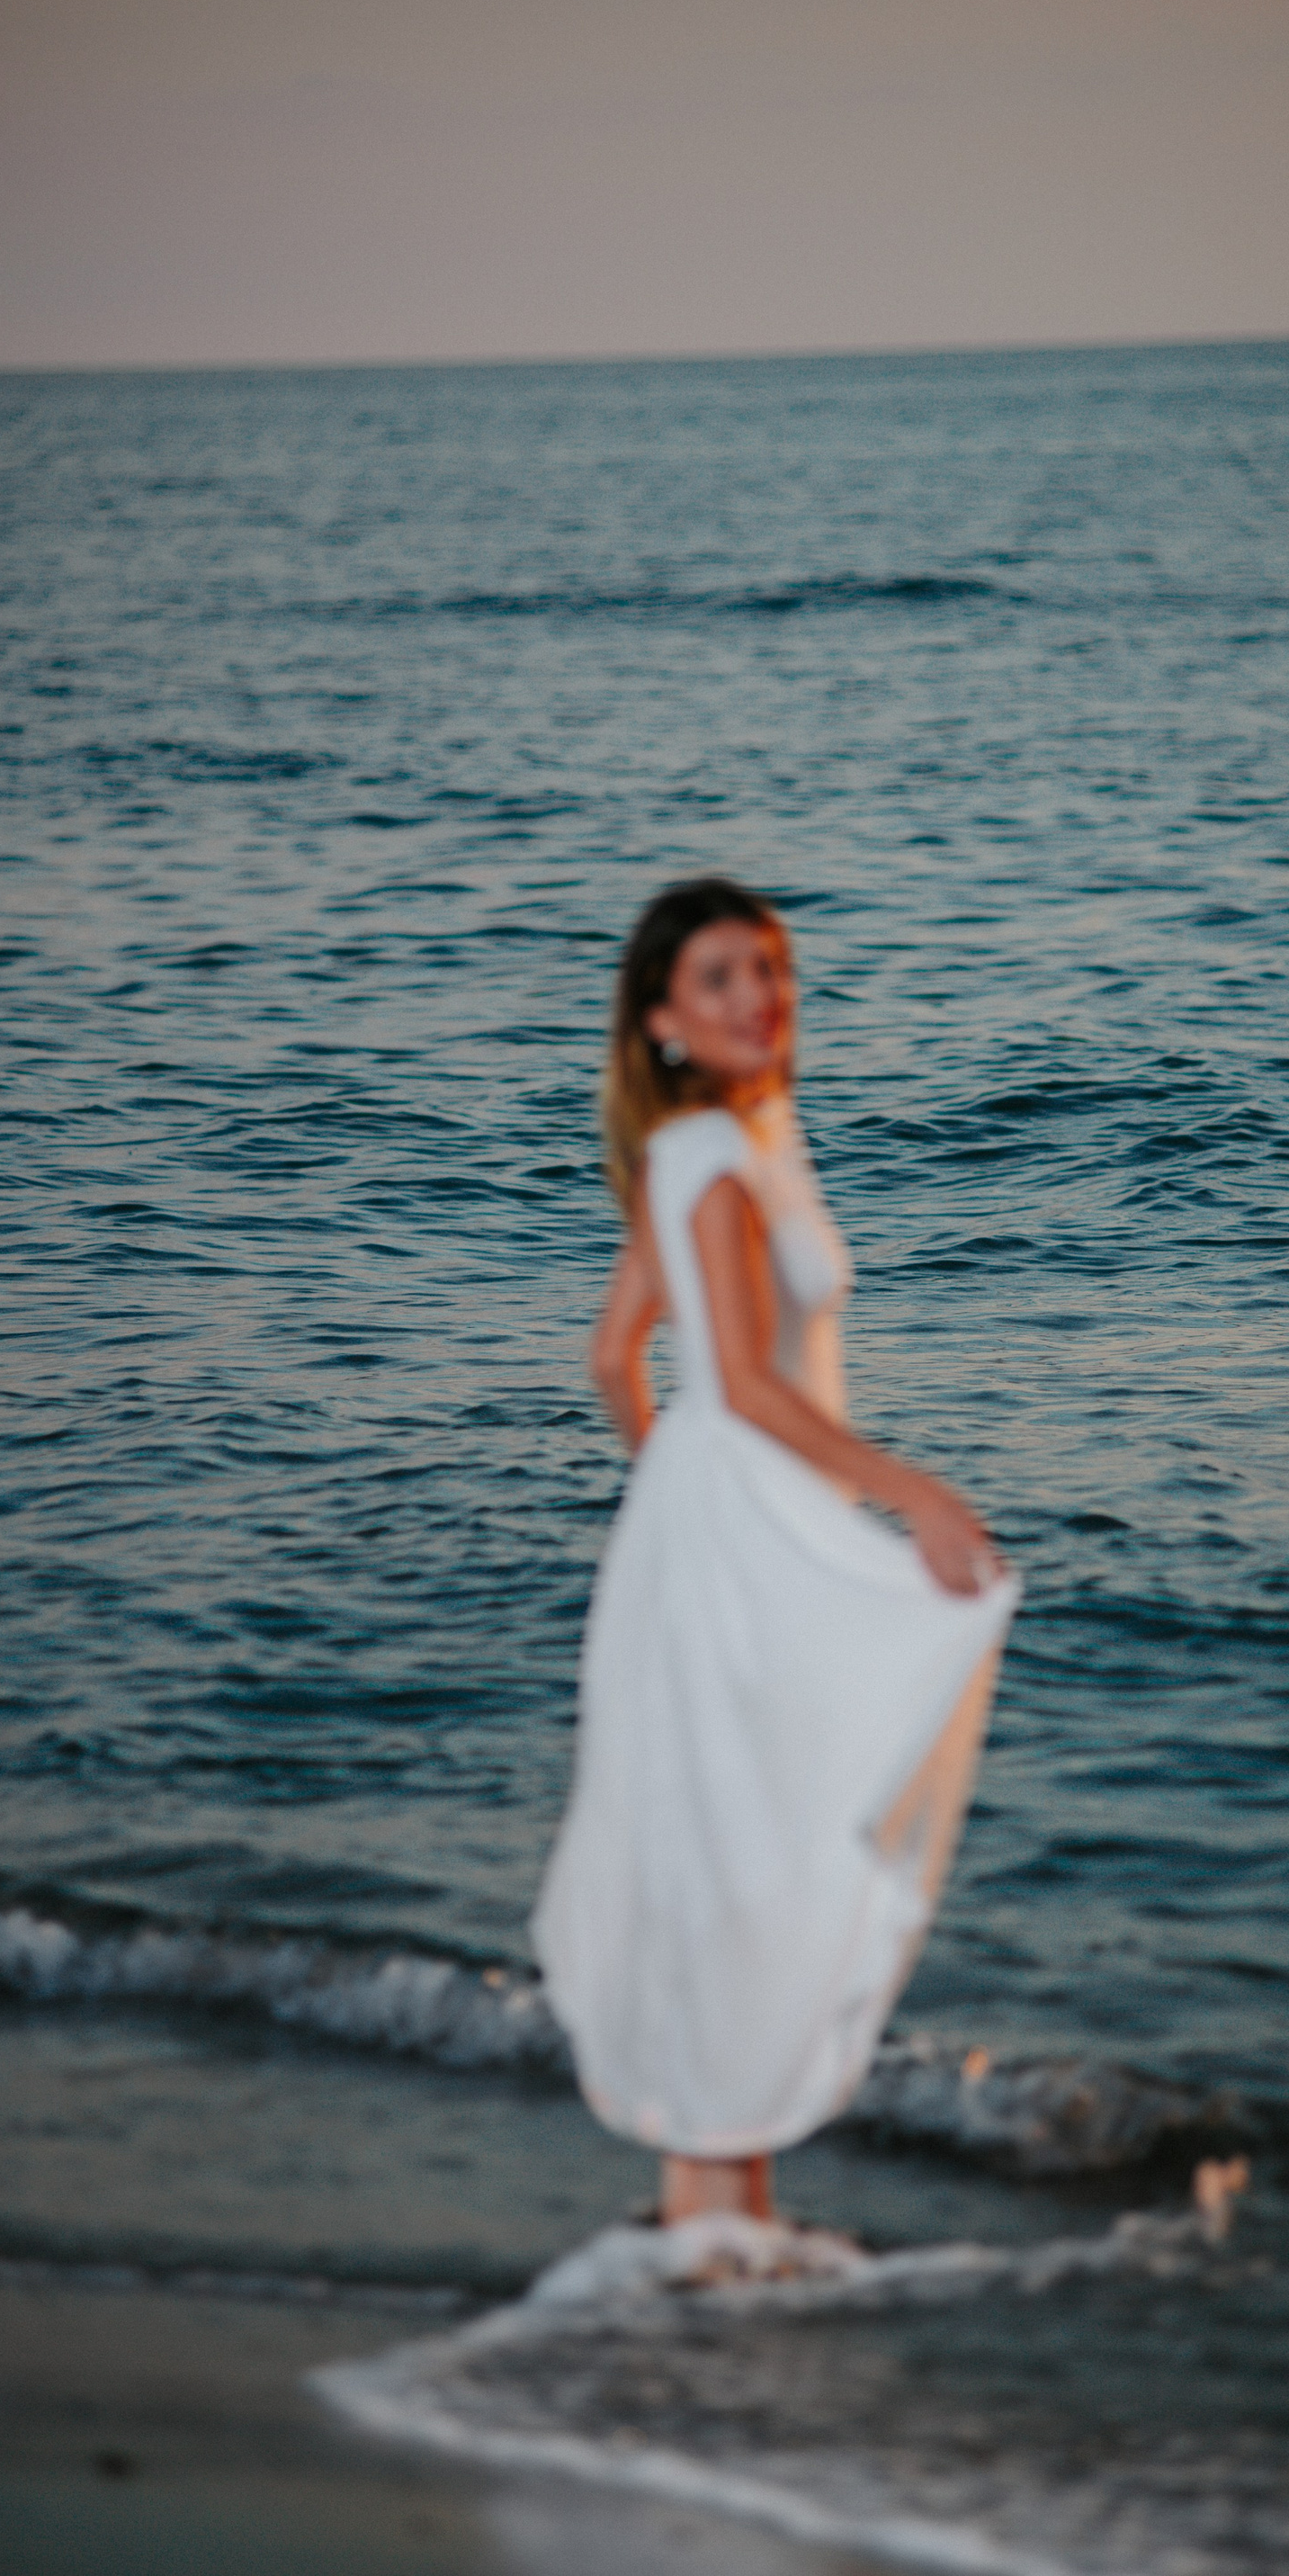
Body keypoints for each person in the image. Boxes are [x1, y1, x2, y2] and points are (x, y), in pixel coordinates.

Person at [533, 875, 1021, 2230]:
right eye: (721, 977)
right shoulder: (705, 1153)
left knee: (742, 1844)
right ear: (663, 1020)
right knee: (759, 1848)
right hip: (746, 1532)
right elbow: (744, 1384)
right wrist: (915, 1496)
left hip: (728, 1529)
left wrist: (677, 1500)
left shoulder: (718, 1138)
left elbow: (613, 1356)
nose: (759, 994)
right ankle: (715, 2224)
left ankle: (716, 2216)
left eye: (770, 966)